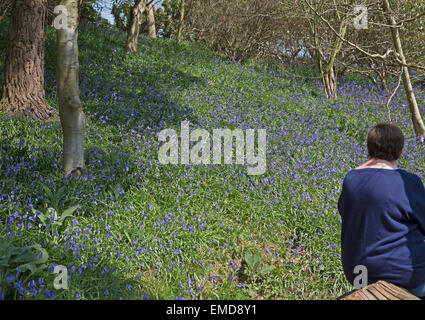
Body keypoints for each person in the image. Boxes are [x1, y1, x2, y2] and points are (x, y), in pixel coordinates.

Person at [338, 123, 425, 297]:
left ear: (368, 149)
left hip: (358, 274)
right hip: (404, 276)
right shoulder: (408, 182)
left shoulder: (351, 179)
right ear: (400, 152)